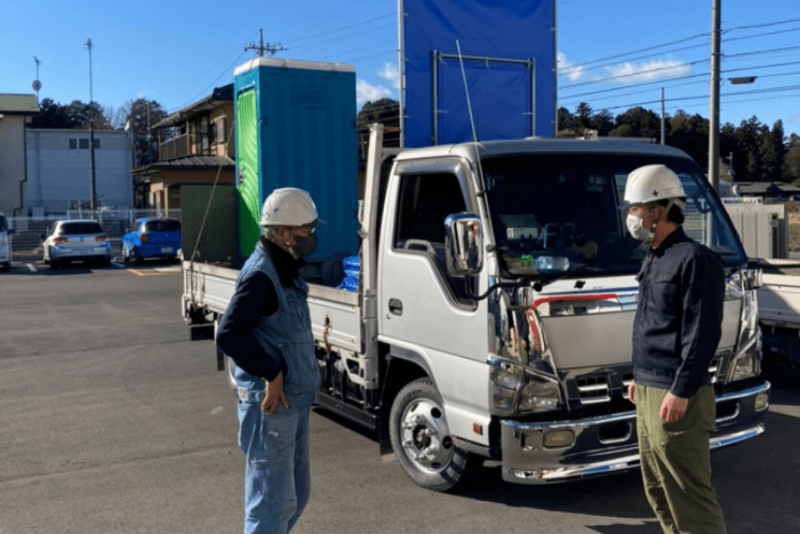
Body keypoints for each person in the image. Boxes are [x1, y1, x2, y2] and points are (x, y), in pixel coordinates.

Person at [623, 164, 727, 534]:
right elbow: (652, 324)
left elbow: (702, 333)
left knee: (689, 493)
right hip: (649, 388)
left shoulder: (695, 259)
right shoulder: (655, 256)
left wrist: (681, 389)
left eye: (635, 208)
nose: (631, 216)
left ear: (660, 209)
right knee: (658, 489)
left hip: (676, 393)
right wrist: (639, 376)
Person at [216, 187, 324, 534]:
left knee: (296, 496)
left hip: (292, 404)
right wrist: (272, 371)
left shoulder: (285, 266)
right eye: (306, 229)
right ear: (282, 233)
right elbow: (229, 333)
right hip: (271, 409)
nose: (312, 236)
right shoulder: (261, 274)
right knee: (270, 509)